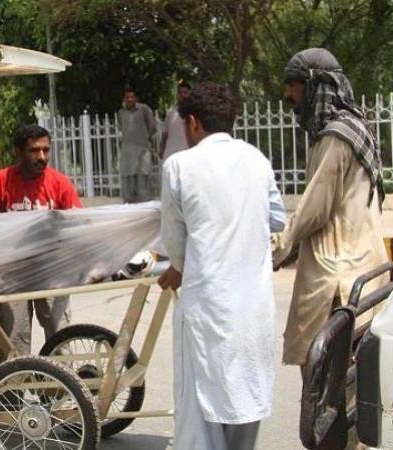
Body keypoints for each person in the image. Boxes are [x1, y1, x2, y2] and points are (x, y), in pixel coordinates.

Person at [158, 82, 286, 450]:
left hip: (206, 307)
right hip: (252, 308)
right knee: (245, 398)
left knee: (199, 411)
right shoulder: (256, 160)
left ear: (193, 123)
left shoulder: (179, 166)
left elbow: (175, 243)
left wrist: (180, 266)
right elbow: (277, 218)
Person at [274, 48, 387, 367]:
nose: (288, 95)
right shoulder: (355, 128)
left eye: (293, 85)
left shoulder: (335, 138)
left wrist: (275, 250)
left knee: (325, 379)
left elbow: (314, 210)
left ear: (315, 85)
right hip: (363, 267)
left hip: (337, 278)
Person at [0, 124, 81, 361]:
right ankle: (14, 384)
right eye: (34, 150)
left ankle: (61, 383)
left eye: (45, 150)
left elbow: (79, 224)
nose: (42, 157)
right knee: (13, 341)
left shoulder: (60, 184)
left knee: (60, 337)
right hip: (12, 272)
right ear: (18, 152)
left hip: (52, 270)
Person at [119, 86, 156, 203]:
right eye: (127, 97)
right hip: (128, 152)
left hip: (143, 150)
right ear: (124, 99)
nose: (130, 99)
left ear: (136, 98)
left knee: (143, 175)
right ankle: (129, 203)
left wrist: (145, 139)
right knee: (129, 176)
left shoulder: (144, 109)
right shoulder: (121, 113)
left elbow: (152, 127)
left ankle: (145, 203)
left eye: (132, 97)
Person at [159, 81, 191, 161]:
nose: (182, 94)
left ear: (189, 94)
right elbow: (165, 133)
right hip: (171, 152)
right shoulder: (171, 111)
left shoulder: (193, 112)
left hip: (187, 152)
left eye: (185, 92)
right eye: (180, 92)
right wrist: (162, 147)